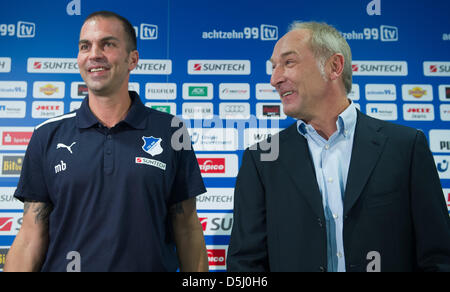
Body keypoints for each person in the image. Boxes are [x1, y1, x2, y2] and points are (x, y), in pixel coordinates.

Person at [227, 21, 450, 272]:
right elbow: (245, 265)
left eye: (289, 63)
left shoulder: (406, 147)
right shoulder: (261, 159)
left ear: (334, 67)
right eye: (274, 67)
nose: (275, 79)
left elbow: (438, 256)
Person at [5, 11, 208, 272]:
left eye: (108, 44)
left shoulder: (171, 132)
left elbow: (188, 229)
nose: (94, 54)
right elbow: (30, 237)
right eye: (84, 46)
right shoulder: (47, 134)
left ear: (132, 59)